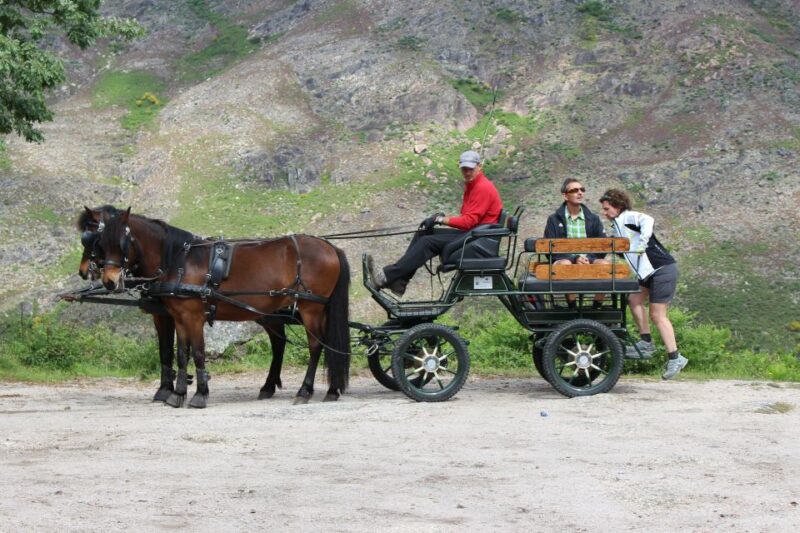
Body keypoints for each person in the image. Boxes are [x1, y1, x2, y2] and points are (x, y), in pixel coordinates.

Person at [367, 150, 503, 297]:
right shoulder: (473, 185)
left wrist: (440, 220)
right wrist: (441, 217)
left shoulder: (482, 187)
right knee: (424, 234)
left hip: (477, 239)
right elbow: (468, 218)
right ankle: (400, 282)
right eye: (464, 169)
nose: (467, 172)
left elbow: (468, 221)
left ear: (479, 166)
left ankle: (387, 276)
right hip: (473, 234)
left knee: (427, 242)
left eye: (470, 168)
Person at [598, 188, 688, 380]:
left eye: (607, 209)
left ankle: (675, 357)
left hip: (661, 268)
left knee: (657, 315)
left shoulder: (628, 217)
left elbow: (648, 220)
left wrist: (643, 242)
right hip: (646, 272)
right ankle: (646, 341)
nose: (604, 213)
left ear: (618, 206)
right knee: (634, 299)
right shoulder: (618, 225)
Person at [543, 177, 609, 309]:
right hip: (565, 259)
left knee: (606, 265)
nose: (580, 193)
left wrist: (587, 258)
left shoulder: (593, 219)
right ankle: (572, 306)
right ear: (565, 195)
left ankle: (596, 307)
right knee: (565, 264)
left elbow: (602, 246)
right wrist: (574, 258)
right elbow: (549, 249)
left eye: (582, 189)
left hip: (589, 259)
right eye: (575, 190)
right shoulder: (554, 219)